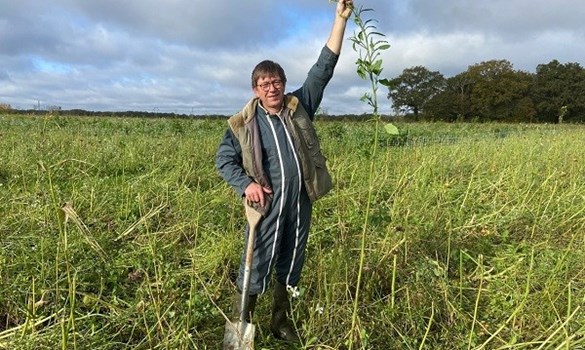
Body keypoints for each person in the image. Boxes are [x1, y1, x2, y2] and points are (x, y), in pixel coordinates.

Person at [215, 0, 353, 343]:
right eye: (264, 84)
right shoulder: (241, 124)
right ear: (255, 90)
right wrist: (247, 185)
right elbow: (224, 161)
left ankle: (280, 322)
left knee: (292, 262)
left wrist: (340, 21)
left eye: (276, 82)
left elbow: (323, 68)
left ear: (284, 83)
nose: (272, 88)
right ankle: (243, 324)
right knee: (256, 263)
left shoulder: (300, 106)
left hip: (300, 202)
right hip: (265, 208)